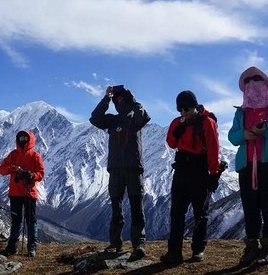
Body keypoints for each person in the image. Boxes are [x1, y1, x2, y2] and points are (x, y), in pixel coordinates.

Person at [228, 66, 268, 265]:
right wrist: (244, 135)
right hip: (248, 164)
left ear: (266, 85)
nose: (252, 84)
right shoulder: (241, 112)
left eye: (257, 80)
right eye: (248, 82)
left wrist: (267, 131)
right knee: (250, 207)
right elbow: (232, 136)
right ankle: (252, 247)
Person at [89, 85, 151, 261]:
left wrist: (131, 97)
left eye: (121, 98)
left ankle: (139, 244)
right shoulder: (112, 120)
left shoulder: (137, 117)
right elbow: (95, 118)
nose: (120, 102)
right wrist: (106, 98)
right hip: (116, 169)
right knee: (117, 208)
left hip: (133, 168)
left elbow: (143, 115)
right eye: (118, 99)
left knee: (136, 207)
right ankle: (116, 242)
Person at [160, 90, 221, 264]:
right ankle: (174, 252)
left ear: (194, 106)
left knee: (200, 213)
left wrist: (214, 173)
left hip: (199, 171)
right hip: (181, 170)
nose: (183, 113)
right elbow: (171, 144)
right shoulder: (177, 122)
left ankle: (197, 250)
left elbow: (213, 148)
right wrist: (176, 133)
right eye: (180, 110)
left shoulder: (207, 123)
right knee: (176, 213)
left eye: (186, 109)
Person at [0, 130, 44, 257]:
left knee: (30, 220)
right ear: (17, 139)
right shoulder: (12, 155)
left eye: (25, 137)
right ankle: (13, 247)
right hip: (15, 193)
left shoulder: (35, 156)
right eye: (21, 137)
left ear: (30, 140)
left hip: (29, 192)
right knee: (16, 220)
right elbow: (1, 170)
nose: (23, 139)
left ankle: (31, 247)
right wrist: (13, 168)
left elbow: (41, 174)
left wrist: (32, 175)